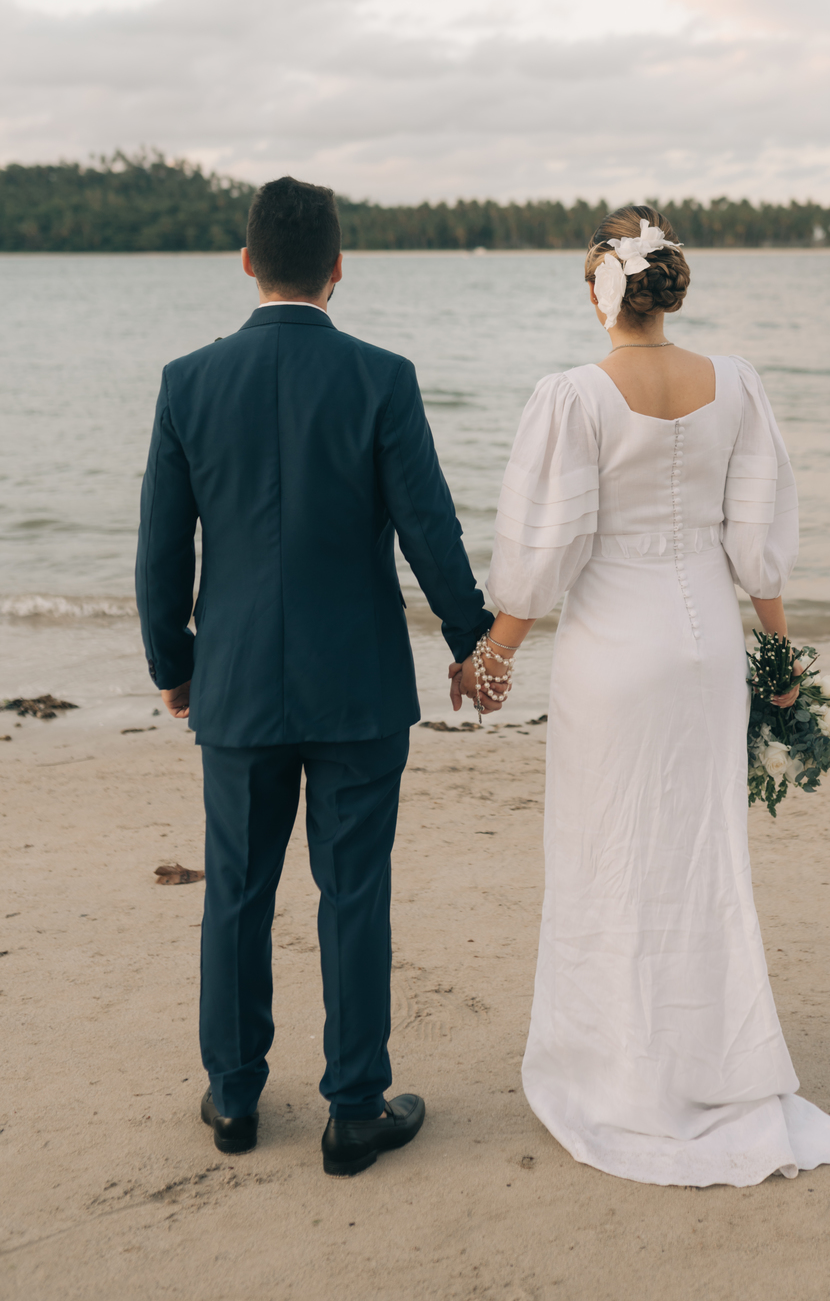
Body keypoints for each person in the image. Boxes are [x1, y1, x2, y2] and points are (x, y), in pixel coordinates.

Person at [460, 205, 830, 1187]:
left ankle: (623, 1074)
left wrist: (496, 652)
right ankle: (718, 1065)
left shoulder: (573, 395)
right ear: (668, 286)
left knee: (609, 854)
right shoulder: (737, 383)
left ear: (601, 290)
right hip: (706, 652)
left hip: (615, 654)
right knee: (702, 856)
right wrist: (782, 655)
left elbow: (546, 547)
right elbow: (756, 535)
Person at [135, 176, 495, 1177]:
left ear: (248, 261)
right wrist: (470, 637)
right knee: (355, 893)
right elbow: (429, 525)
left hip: (239, 684)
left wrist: (174, 662)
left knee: (238, 894)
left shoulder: (187, 381)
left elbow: (162, 547)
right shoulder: (382, 376)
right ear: (340, 267)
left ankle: (237, 1096)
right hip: (358, 685)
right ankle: (354, 1107)